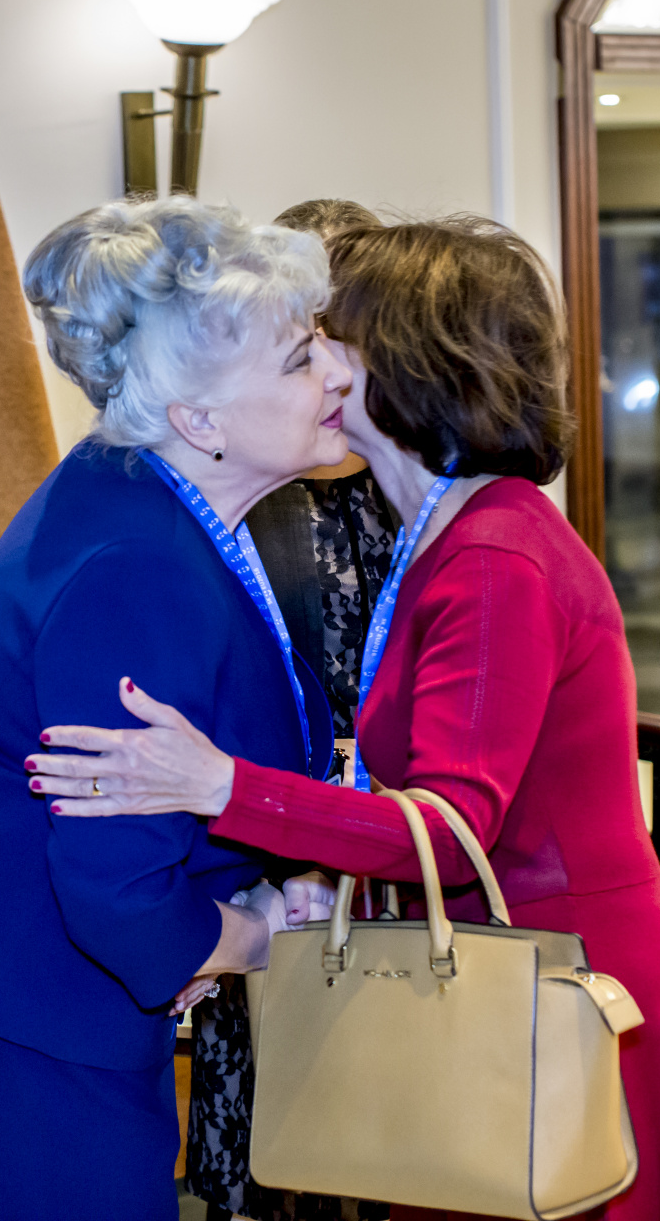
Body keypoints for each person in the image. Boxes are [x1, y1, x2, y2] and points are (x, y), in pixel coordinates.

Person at [30, 217, 660, 1221]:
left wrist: (220, 787)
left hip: (571, 1008)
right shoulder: (452, 534)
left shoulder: (493, 556)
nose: (318, 366)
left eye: (329, 338)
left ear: (411, 366)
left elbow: (451, 834)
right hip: (504, 996)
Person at [0, 197, 347, 1221]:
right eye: (298, 359)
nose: (337, 374)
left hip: (37, 1001)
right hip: (29, 1025)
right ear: (198, 419)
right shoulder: (139, 565)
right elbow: (118, 893)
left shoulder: (149, 496)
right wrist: (257, 932)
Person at [189, 199, 398, 1221]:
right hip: (277, 859)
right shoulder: (245, 491)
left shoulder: (415, 488)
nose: (328, 364)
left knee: (414, 1129)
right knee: (281, 1141)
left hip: (400, 859)